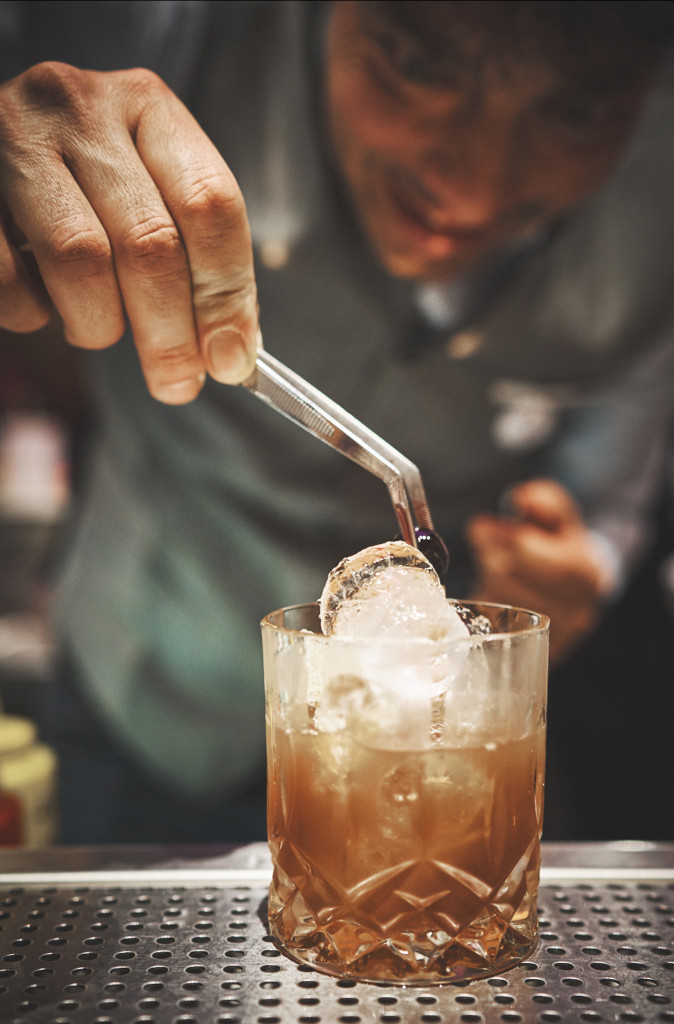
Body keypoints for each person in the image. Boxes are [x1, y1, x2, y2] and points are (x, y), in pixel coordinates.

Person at [0, 1, 673, 842]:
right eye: (417, 66)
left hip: (412, 762)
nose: (475, 187)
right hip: (144, 691)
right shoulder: (161, 25)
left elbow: (606, 492)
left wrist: (578, 566)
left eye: (577, 112)